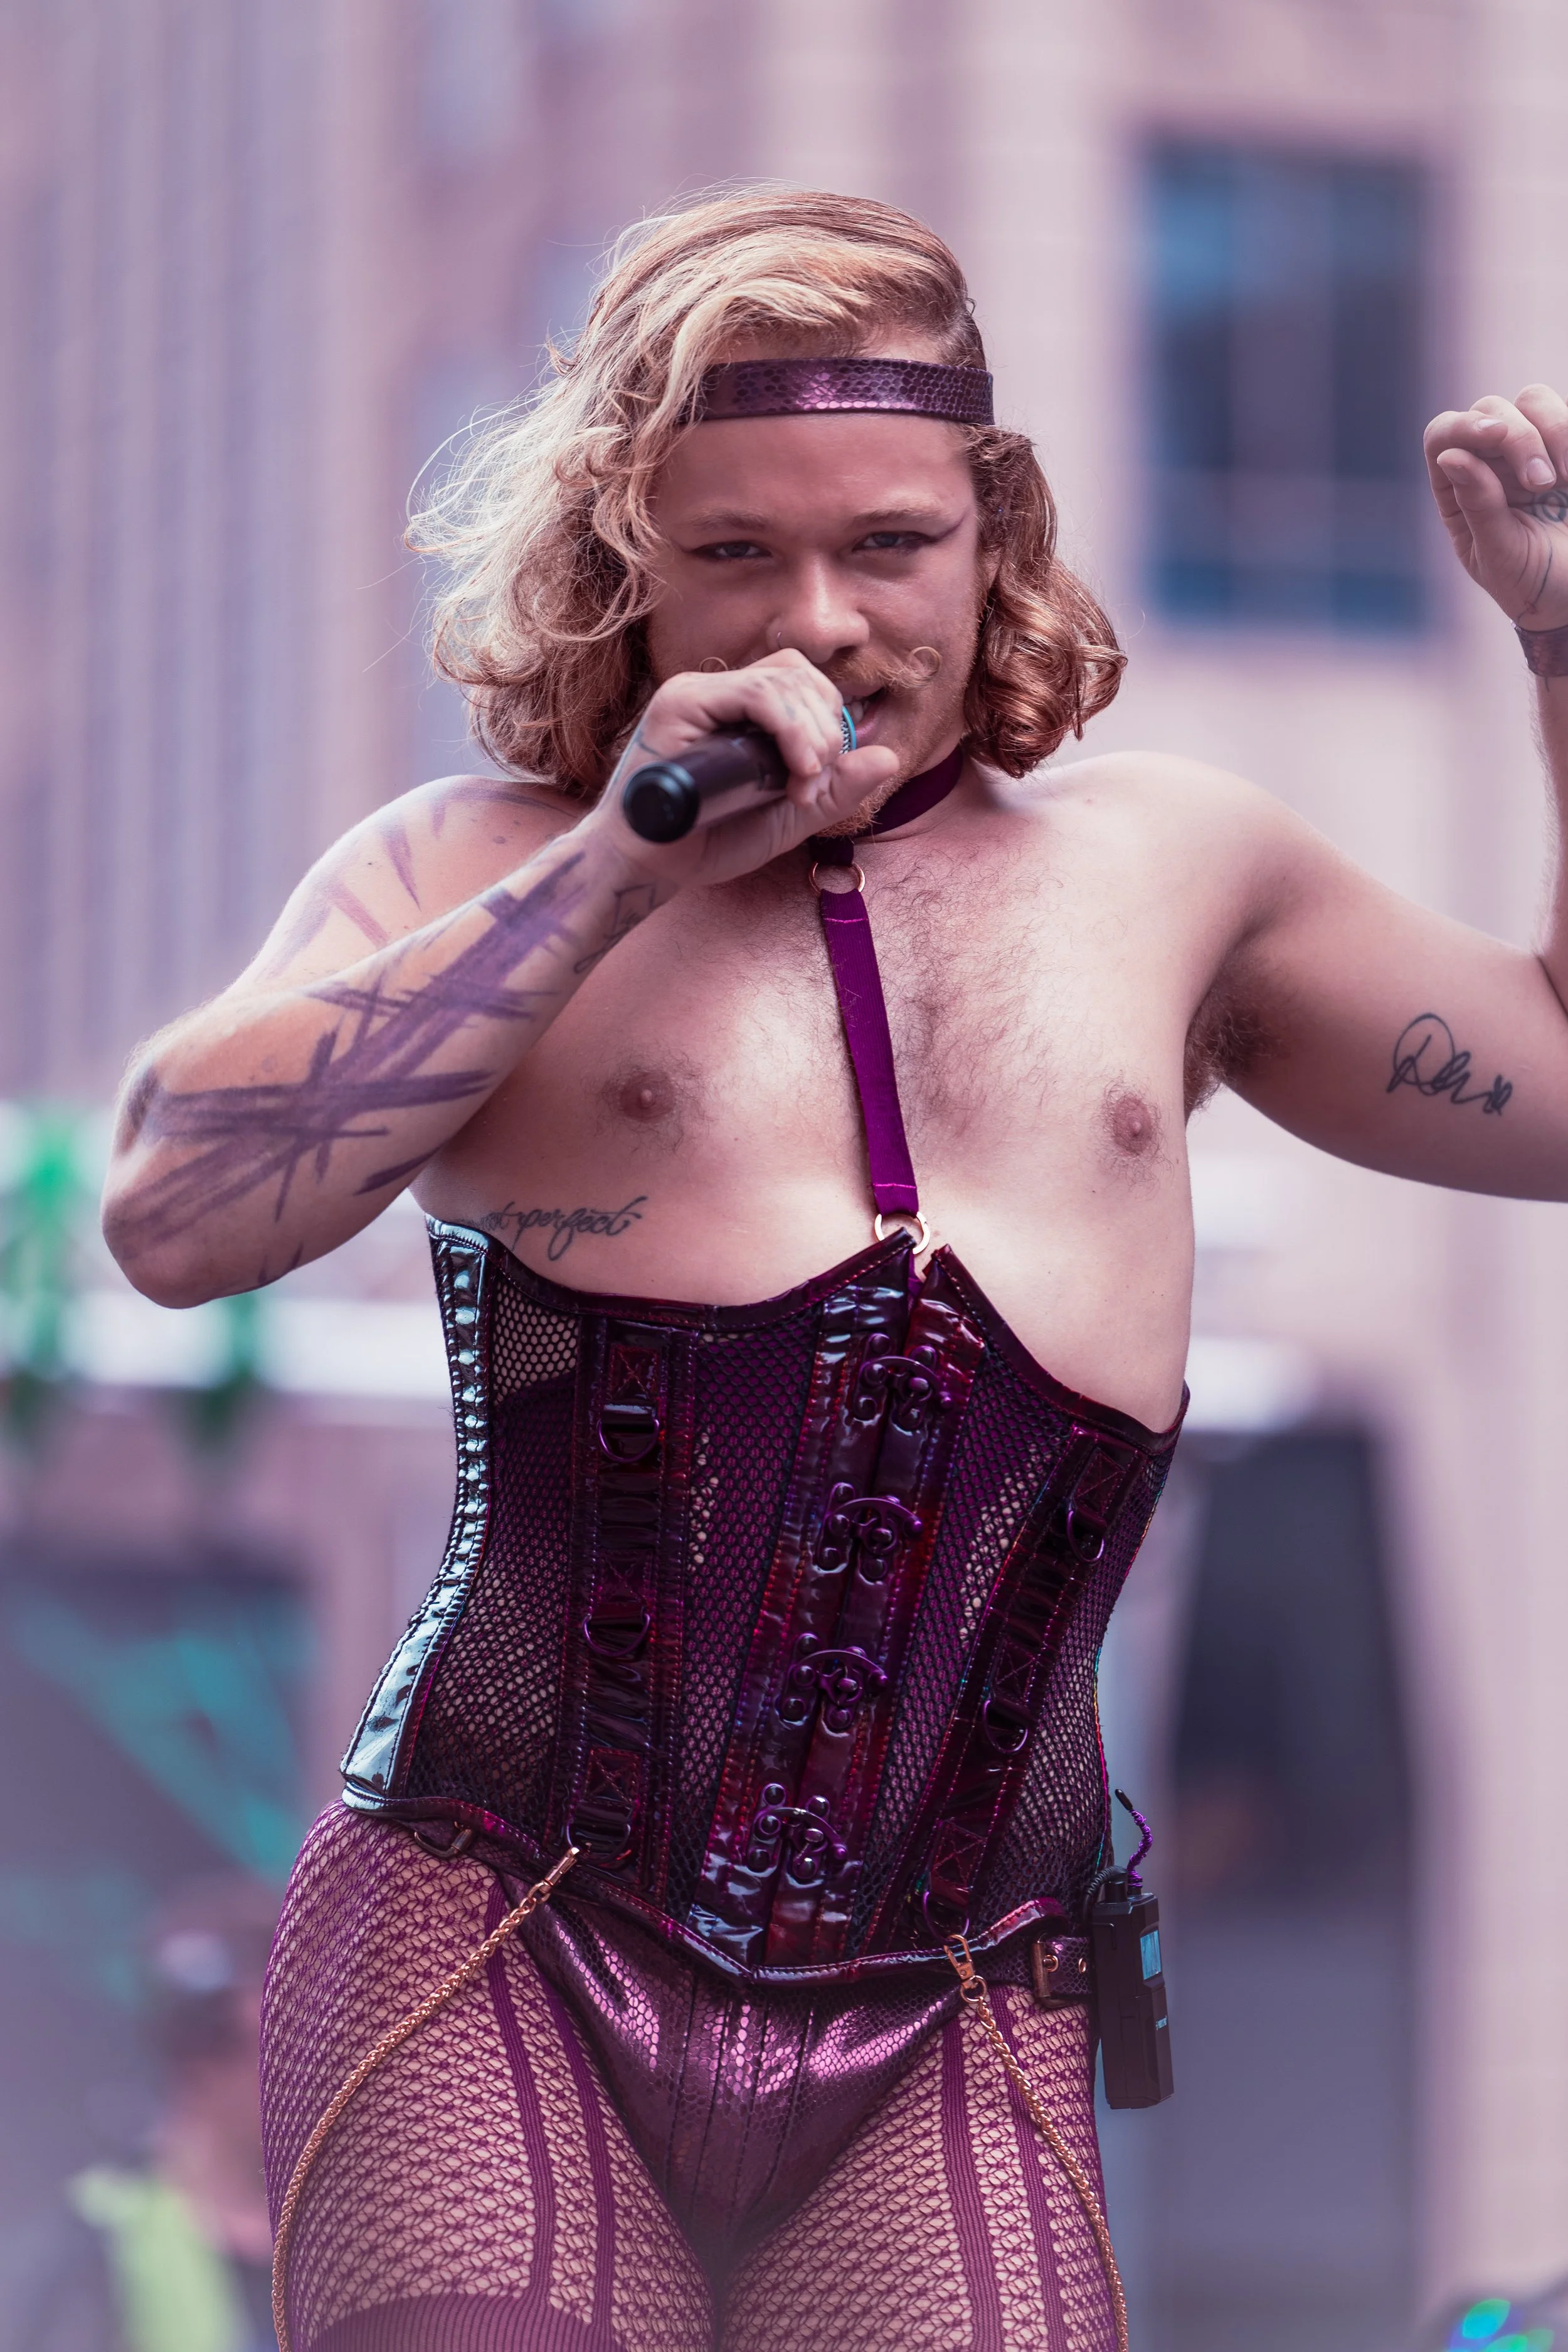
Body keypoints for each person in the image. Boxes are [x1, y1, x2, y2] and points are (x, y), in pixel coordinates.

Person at [102, 188, 1568, 2352]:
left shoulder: (1181, 876)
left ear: (993, 533)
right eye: (734, 557)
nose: (825, 621)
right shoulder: (471, 872)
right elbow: (167, 1217)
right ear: (631, 564)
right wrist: (623, 857)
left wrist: (1560, 648)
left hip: (963, 1998)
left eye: (888, 544)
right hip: (497, 1937)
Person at [8, 1877, 278, 2352]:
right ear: (200, 2060)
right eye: (281, 2050)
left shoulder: (359, 2238)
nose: (315, 2081)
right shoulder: (87, 2251)